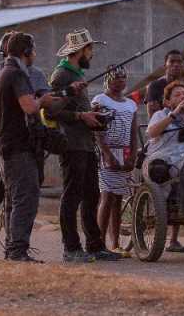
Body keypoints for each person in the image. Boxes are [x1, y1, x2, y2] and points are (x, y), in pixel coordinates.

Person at [0, 31, 51, 259]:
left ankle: (12, 246)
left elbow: (46, 103)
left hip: (28, 143)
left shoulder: (34, 74)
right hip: (7, 144)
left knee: (22, 195)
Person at [49, 28, 122, 263]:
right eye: (90, 49)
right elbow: (51, 111)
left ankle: (95, 245)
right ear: (81, 50)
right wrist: (81, 116)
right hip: (71, 144)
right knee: (72, 196)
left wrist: (92, 113)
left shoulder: (77, 73)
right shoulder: (61, 75)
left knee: (91, 195)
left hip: (86, 144)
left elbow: (76, 107)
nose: (92, 54)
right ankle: (71, 248)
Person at [0, 32, 62, 262]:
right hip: (18, 148)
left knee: (14, 200)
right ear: (26, 52)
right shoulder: (16, 74)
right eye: (33, 50)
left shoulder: (2, 74)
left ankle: (12, 248)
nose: (35, 54)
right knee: (26, 198)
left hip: (7, 146)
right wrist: (44, 101)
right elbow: (30, 107)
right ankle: (18, 250)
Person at [145, 49, 184, 253]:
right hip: (162, 145)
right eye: (172, 61)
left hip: (183, 152)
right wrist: (172, 115)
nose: (176, 65)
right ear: (165, 64)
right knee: (162, 171)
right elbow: (152, 122)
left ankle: (174, 237)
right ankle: (157, 216)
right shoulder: (156, 87)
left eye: (179, 62)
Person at [92, 65, 138, 257]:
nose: (120, 81)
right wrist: (106, 153)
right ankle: (99, 243)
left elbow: (133, 133)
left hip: (123, 152)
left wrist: (133, 155)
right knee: (107, 195)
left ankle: (115, 244)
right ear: (108, 80)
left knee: (118, 198)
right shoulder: (100, 100)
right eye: (116, 77)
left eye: (123, 77)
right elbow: (97, 129)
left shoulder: (131, 104)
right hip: (106, 152)